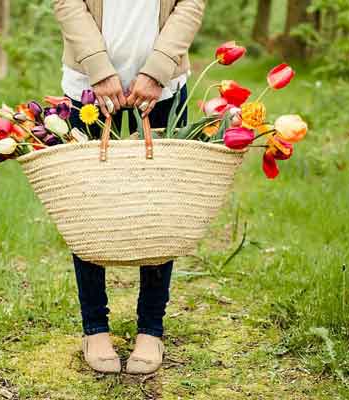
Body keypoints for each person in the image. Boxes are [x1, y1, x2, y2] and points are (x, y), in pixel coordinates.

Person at [53, 0, 205, 374]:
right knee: (89, 206)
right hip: (87, 87)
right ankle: (95, 327)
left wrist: (157, 71)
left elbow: (191, 4)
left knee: (158, 206)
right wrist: (98, 69)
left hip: (163, 87)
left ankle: (151, 328)